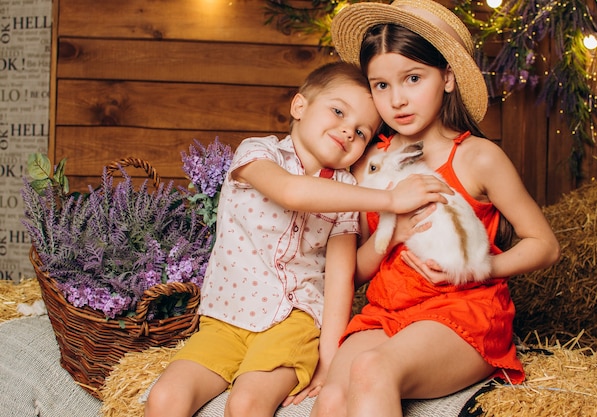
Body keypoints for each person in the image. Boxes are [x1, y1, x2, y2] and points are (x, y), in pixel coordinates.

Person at [144, 61, 453, 417]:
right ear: (300, 106)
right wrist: (391, 200)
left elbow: (341, 280)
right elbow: (293, 192)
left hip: (295, 323)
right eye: (337, 111)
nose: (348, 131)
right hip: (225, 319)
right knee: (164, 398)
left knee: (246, 404)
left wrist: (329, 361)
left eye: (362, 132)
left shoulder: (347, 191)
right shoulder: (257, 153)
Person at [308, 1, 561, 416]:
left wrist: (481, 268)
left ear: (447, 77)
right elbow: (352, 271)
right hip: (385, 311)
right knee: (332, 398)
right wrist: (396, 233)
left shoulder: (477, 158)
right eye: (381, 85)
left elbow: (545, 245)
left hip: (460, 313)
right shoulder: (367, 157)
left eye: (412, 78)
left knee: (372, 369)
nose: (397, 100)